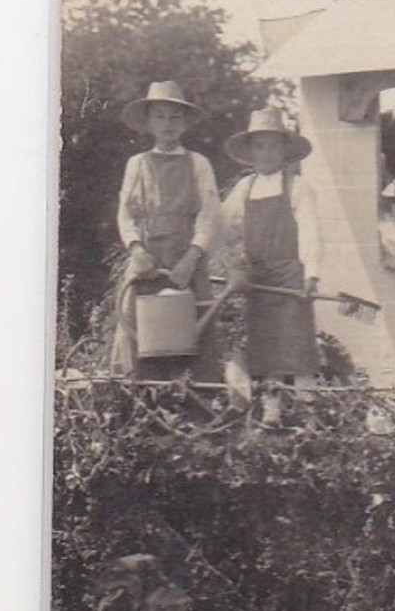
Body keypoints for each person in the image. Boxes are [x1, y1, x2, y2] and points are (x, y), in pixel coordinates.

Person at [110, 80, 223, 380]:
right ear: (148, 122)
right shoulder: (137, 164)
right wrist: (136, 250)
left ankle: (198, 416)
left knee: (194, 337)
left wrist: (192, 257)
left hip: (187, 261)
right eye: (159, 116)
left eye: (175, 117)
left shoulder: (199, 164)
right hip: (149, 262)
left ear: (185, 123)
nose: (168, 124)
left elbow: (210, 214)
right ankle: (145, 414)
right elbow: (125, 213)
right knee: (142, 337)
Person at [218, 108, 323, 383]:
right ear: (251, 152)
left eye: (273, 147)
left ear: (285, 150)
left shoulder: (297, 187)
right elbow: (223, 228)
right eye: (260, 147)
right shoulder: (245, 187)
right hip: (257, 280)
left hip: (289, 279)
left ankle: (307, 409)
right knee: (265, 353)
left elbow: (311, 232)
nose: (266, 154)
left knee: (296, 349)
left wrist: (311, 274)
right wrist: (234, 262)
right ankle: (271, 413)